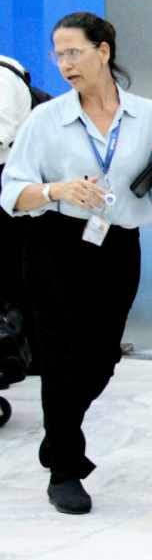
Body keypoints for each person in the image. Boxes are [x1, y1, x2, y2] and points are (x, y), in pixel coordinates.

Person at [0, 12, 152, 514]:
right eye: (57, 55)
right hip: (54, 242)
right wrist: (56, 190)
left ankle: (60, 430)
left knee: (102, 356)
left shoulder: (147, 115)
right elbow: (11, 191)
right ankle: (65, 467)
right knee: (60, 357)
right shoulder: (45, 119)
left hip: (118, 243)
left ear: (104, 52)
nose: (64, 64)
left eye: (73, 53)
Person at [0, 53, 36, 387]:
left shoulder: (2, 74)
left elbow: (2, 132)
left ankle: (18, 353)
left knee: (12, 274)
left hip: (8, 183)